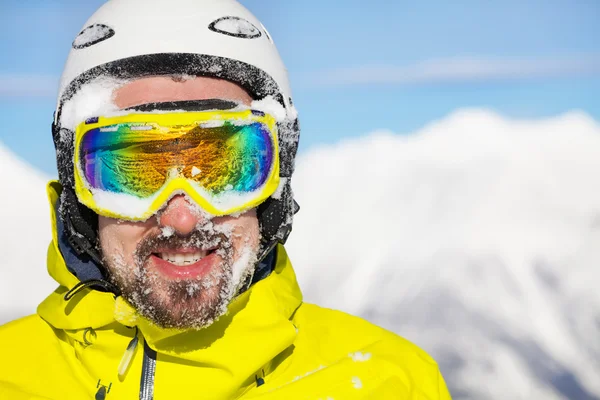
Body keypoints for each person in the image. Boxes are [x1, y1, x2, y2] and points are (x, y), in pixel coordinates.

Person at [0, 0, 451, 399]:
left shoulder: (390, 383)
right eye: (132, 171)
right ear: (80, 197)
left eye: (224, 167)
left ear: (275, 183)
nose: (181, 216)